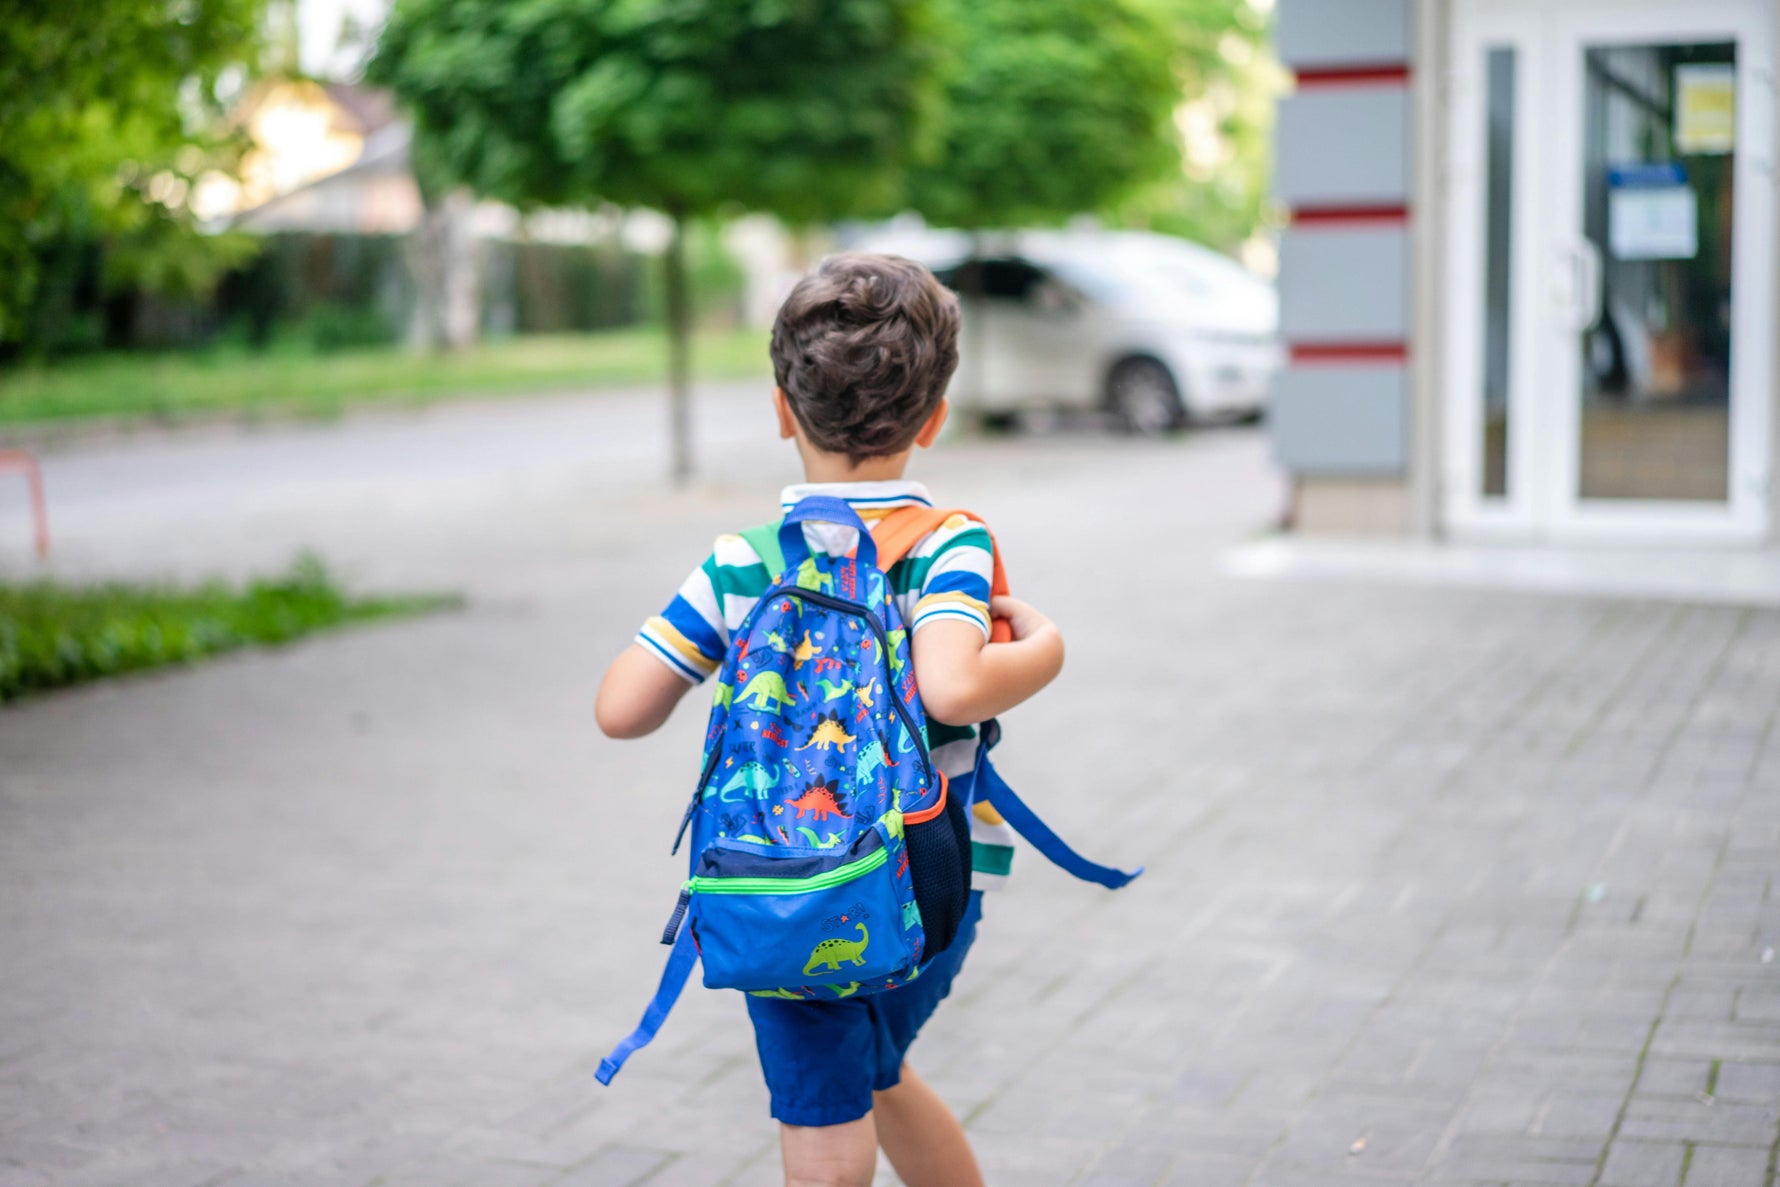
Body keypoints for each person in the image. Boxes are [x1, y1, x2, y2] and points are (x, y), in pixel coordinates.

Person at [594, 252, 1066, 1187]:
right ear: (934, 419)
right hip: (932, 884)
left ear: (781, 410)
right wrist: (1047, 648)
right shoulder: (949, 545)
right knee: (876, 1070)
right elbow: (953, 689)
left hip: (778, 886)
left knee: (825, 1123)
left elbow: (620, 710)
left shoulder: (743, 560)